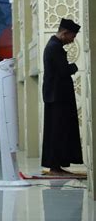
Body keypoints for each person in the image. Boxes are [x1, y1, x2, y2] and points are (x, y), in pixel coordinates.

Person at [41, 18, 83, 176]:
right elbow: (64, 71)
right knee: (56, 131)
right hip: (56, 97)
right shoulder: (54, 48)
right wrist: (74, 66)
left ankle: (56, 165)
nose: (72, 40)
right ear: (65, 33)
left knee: (58, 130)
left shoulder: (55, 46)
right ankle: (54, 167)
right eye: (72, 36)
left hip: (56, 96)